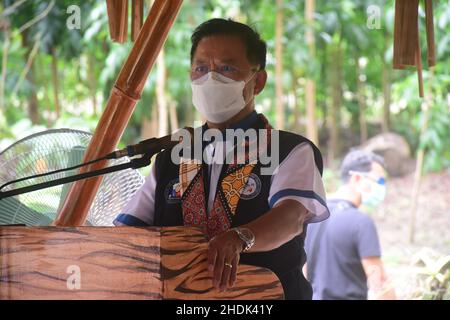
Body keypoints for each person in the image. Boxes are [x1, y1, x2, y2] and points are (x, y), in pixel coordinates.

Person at [113, 18, 329, 300]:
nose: (211, 78)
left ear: (258, 80)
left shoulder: (289, 150)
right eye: (201, 69)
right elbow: (129, 233)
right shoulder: (174, 157)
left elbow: (291, 217)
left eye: (227, 68)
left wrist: (241, 237)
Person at [304, 150, 396, 300]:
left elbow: (303, 270)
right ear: (357, 178)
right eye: (379, 181)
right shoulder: (360, 222)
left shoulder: (312, 216)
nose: (382, 187)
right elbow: (379, 282)